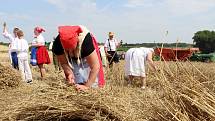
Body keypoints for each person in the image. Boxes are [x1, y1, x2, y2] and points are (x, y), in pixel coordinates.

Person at [52, 25, 105, 91]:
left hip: (85, 52)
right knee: (76, 83)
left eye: (72, 49)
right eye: (67, 50)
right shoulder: (57, 44)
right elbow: (64, 63)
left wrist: (87, 86)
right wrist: (69, 73)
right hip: (73, 56)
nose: (70, 51)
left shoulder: (86, 41)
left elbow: (95, 66)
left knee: (93, 85)